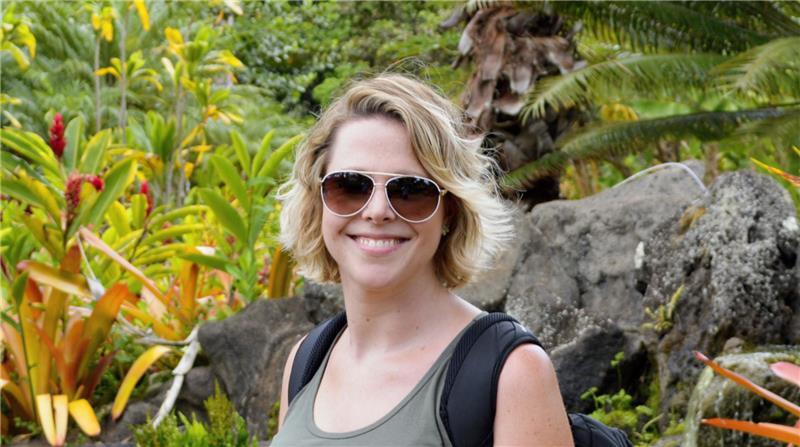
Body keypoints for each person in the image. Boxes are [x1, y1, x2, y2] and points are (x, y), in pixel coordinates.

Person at [272, 73, 573, 446]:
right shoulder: (306, 361)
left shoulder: (510, 373)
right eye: (349, 187)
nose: (378, 211)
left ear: (449, 209)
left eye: (411, 191)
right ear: (318, 201)